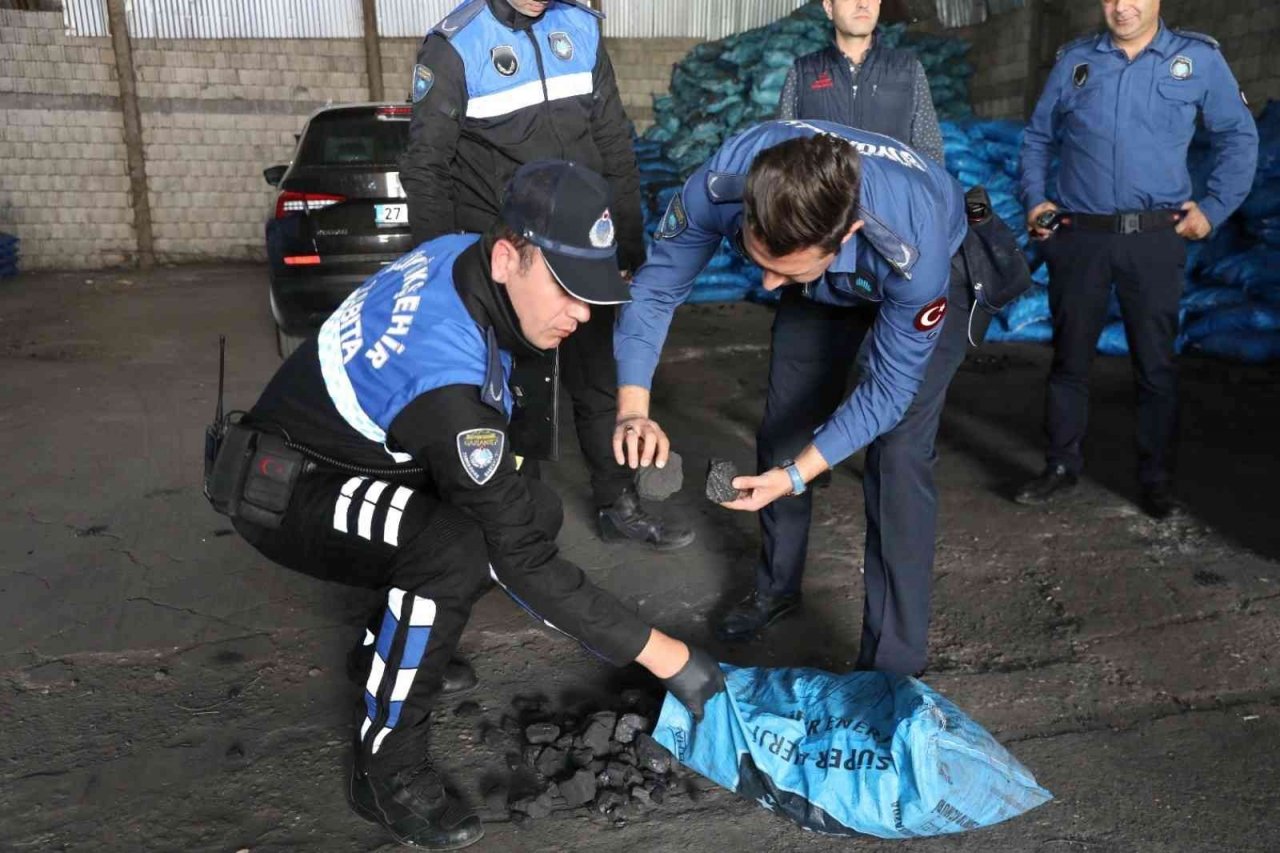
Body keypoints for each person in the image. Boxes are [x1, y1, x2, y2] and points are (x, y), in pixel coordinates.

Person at [220, 162, 723, 850]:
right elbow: (523, 561)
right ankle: (384, 769)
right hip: (285, 490)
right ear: (510, 255)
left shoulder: (465, 253)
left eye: (592, 294)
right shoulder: (446, 382)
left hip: (347, 452)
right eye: (568, 291)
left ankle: (388, 653)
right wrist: (673, 659)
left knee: (528, 507)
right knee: (457, 545)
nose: (580, 314)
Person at [613, 121, 970, 677]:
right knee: (784, 431)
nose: (769, 288)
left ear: (846, 235)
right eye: (760, 264)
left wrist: (800, 474)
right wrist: (633, 407)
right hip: (824, 280)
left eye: (785, 272)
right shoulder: (720, 184)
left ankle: (892, 667)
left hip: (917, 277)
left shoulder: (913, 246)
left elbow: (889, 388)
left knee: (898, 458)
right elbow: (656, 288)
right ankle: (776, 589)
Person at [398, 0, 692, 550]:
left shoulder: (579, 30)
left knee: (598, 381)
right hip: (512, 259)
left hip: (587, 249)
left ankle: (616, 501)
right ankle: (517, 523)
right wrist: (437, 266)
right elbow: (427, 166)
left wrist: (626, 243)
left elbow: (613, 142)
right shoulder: (455, 45)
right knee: (512, 391)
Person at [1018, 0, 1258, 519]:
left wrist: (1213, 210)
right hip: (1081, 237)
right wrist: (1036, 199)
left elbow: (1238, 137)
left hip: (1154, 239)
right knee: (1069, 359)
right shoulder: (1076, 61)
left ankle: (1156, 481)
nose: (1121, 7)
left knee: (1155, 366)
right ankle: (1060, 465)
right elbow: (1038, 137)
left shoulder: (1198, 61)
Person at [778, 0, 944, 165]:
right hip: (826, 190)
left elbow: (930, 153)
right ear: (829, 8)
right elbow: (781, 149)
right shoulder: (803, 73)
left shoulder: (908, 70)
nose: (863, 4)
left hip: (889, 190)